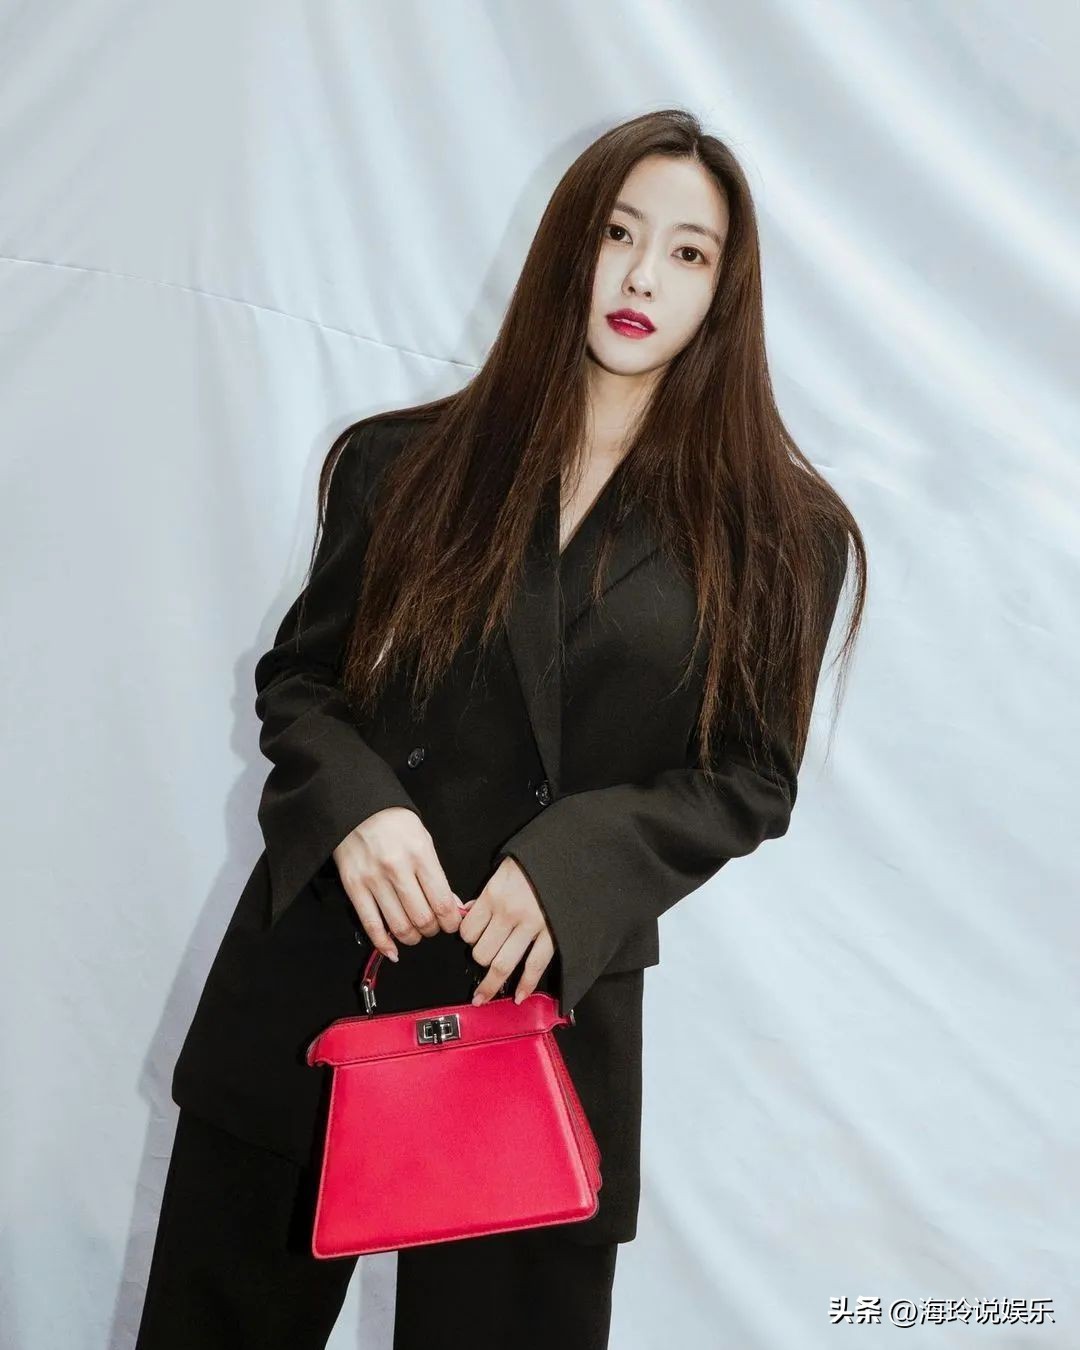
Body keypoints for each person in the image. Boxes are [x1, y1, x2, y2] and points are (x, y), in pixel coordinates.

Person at [134, 107, 867, 1350]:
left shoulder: (784, 538)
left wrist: (573, 863)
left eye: (688, 252)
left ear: (725, 292)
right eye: (619, 233)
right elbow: (302, 683)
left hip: (541, 1013)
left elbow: (752, 777)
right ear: (568, 244)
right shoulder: (402, 462)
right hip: (324, 972)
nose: (643, 277)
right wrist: (356, 806)